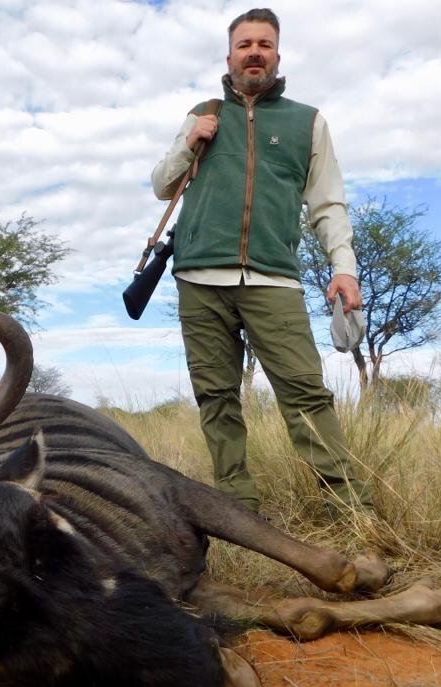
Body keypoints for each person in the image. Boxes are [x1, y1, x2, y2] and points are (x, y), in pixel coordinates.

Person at [152, 8, 373, 516]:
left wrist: (344, 267)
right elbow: (162, 184)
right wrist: (190, 143)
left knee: (306, 394)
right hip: (199, 277)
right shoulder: (202, 112)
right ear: (229, 55)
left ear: (277, 54)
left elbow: (327, 204)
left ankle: (352, 509)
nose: (255, 52)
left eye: (265, 44)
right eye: (245, 43)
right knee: (216, 396)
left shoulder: (307, 122)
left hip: (274, 280)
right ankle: (237, 508)